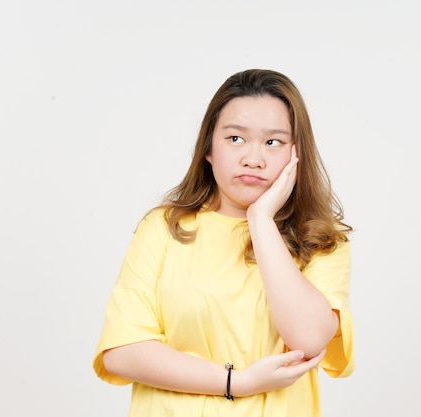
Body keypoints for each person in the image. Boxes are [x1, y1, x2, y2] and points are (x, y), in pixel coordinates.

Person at [93, 68, 354, 417]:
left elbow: (308, 338)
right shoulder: (163, 228)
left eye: (273, 142)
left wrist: (260, 220)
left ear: (297, 154)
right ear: (208, 148)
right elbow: (123, 350)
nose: (253, 158)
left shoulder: (321, 241)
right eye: (235, 139)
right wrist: (238, 382)